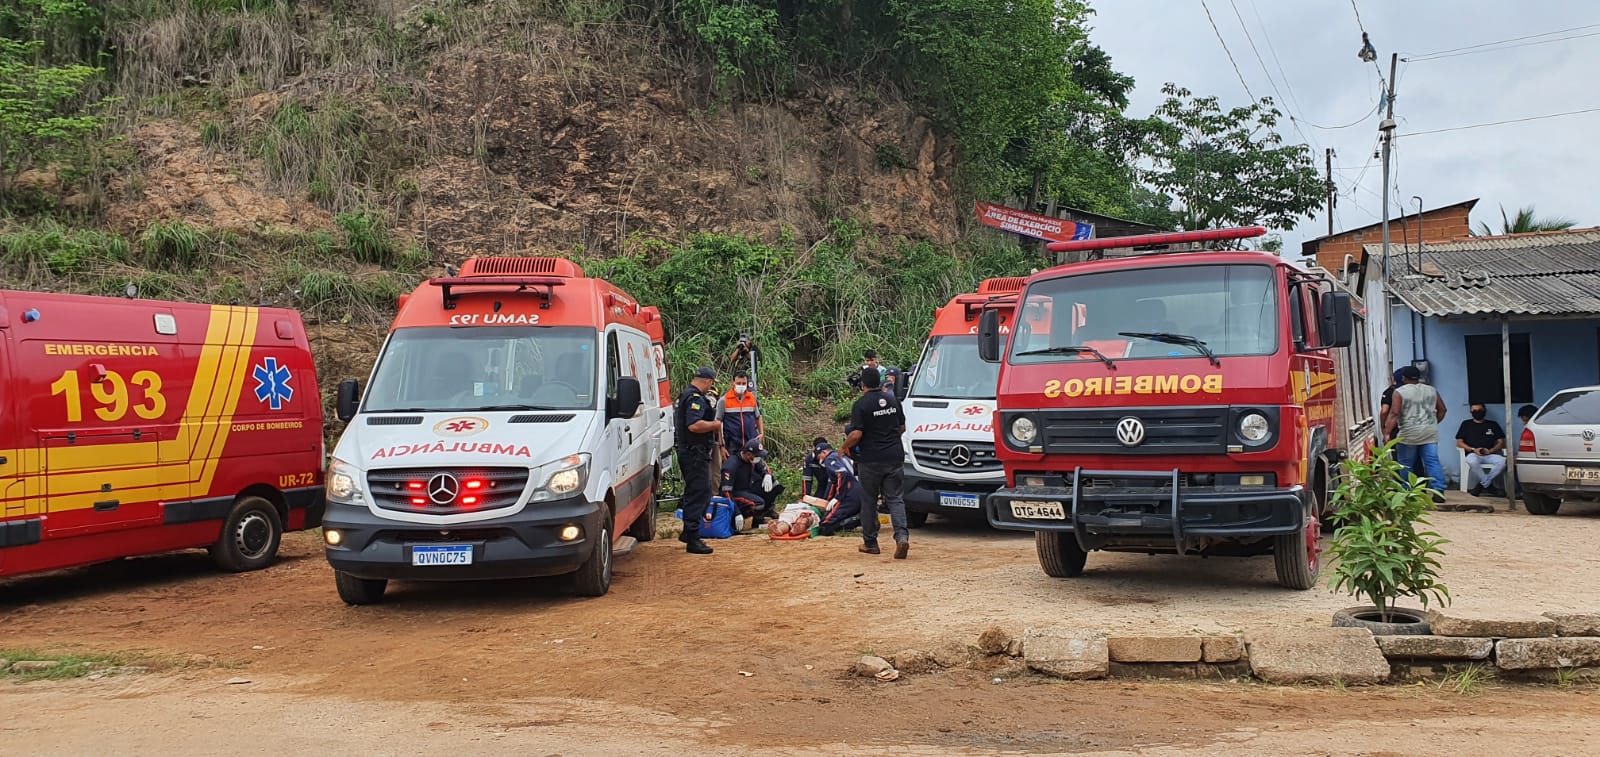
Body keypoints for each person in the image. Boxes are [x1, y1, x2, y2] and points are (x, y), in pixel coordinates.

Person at [845, 366, 910, 558]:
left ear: (862, 384)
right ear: (879, 382)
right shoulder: (893, 400)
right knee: (895, 499)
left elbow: (856, 434)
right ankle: (901, 538)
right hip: (894, 457)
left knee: (869, 500)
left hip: (871, 460)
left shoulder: (861, 405)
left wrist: (843, 448)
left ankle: (871, 543)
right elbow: (902, 427)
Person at [675, 366, 723, 555]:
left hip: (692, 452)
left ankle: (688, 532)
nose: (710, 387)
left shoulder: (686, 395)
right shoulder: (695, 398)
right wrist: (715, 425)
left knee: (696, 491)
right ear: (707, 381)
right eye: (711, 384)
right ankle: (693, 538)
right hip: (694, 453)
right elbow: (694, 425)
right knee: (699, 492)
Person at [1385, 365, 1448, 501]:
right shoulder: (1432, 390)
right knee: (1432, 461)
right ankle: (1439, 491)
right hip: (1429, 432)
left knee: (1406, 463)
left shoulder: (1399, 392)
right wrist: (1434, 422)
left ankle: (1409, 492)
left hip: (1409, 433)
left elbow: (1394, 413)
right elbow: (1442, 409)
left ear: (1403, 378)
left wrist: (1387, 432)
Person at [721, 439, 784, 527]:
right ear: (748, 454)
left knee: (774, 485)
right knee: (759, 503)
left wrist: (767, 474)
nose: (759, 458)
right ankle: (740, 517)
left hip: (748, 488)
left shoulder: (752, 459)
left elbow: (764, 468)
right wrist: (737, 513)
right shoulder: (731, 465)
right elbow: (726, 492)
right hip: (735, 493)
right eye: (757, 456)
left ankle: (760, 517)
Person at [810, 439, 864, 535]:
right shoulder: (841, 456)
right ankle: (864, 517)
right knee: (833, 516)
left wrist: (838, 497)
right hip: (858, 489)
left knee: (824, 527)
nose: (820, 460)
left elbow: (841, 474)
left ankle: (859, 519)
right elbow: (834, 483)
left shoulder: (830, 458)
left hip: (848, 493)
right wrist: (829, 499)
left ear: (824, 452)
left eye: (819, 457)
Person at [1455, 404, 1507, 497]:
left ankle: (1481, 485)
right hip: (1473, 453)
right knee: (1472, 461)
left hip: (1490, 453)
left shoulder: (1493, 424)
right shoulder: (1466, 424)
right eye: (1474, 411)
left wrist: (1490, 450)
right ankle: (1489, 486)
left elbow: (1501, 442)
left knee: (1503, 461)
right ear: (1471, 412)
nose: (1477, 413)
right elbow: (1459, 442)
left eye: (1479, 410)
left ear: (1484, 411)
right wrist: (1473, 449)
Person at [715, 370, 765, 459]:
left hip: (751, 442)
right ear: (733, 383)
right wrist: (721, 446)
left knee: (756, 465)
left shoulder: (751, 398)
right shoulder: (724, 400)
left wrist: (761, 433)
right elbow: (717, 423)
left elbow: (758, 416)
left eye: (744, 383)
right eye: (738, 383)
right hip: (732, 445)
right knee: (732, 466)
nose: (741, 386)